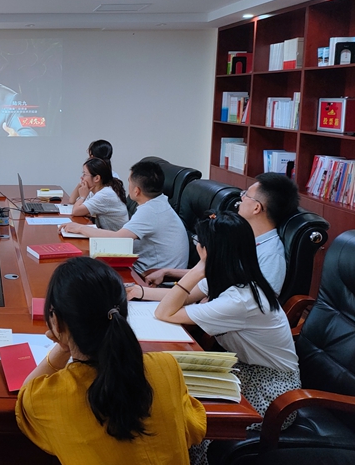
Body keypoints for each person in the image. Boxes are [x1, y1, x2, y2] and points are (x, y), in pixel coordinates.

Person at [15, 257, 206, 465]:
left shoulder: (47, 396)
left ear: (57, 321)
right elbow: (193, 429)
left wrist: (63, 345)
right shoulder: (166, 367)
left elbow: (26, 398)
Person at [154, 212, 300, 431]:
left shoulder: (240, 300)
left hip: (273, 393)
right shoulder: (232, 278)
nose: (197, 246)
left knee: (181, 411)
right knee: (169, 387)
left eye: (199, 243)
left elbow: (165, 312)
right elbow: (178, 299)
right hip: (245, 371)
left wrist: (199, 268)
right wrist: (137, 291)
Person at [139, 172, 298, 297]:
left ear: (256, 208)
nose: (241, 197)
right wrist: (167, 272)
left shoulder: (271, 256)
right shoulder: (241, 237)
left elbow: (260, 305)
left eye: (246, 195)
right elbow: (213, 274)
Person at [61, 160, 188, 275]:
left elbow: (118, 238)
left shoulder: (151, 211)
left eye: (129, 182)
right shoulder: (159, 203)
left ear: (137, 191)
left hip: (153, 276)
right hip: (148, 266)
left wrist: (79, 228)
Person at [70, 157, 129, 231]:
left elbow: (76, 211)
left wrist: (82, 197)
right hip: (106, 233)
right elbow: (75, 204)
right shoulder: (95, 190)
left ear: (97, 178)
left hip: (116, 236)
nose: (82, 178)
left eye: (84, 174)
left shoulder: (105, 194)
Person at [67, 139, 120, 204]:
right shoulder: (90, 174)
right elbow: (71, 200)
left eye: (90, 156)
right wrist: (81, 184)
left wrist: (82, 198)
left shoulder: (111, 178)